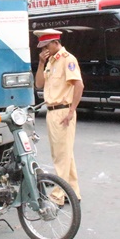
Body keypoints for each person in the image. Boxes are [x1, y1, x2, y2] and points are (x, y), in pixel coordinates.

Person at [33, 28, 83, 206]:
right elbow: (39, 83)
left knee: (60, 156)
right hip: (52, 111)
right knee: (65, 154)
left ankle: (58, 194)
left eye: (47, 45)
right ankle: (73, 192)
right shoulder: (51, 62)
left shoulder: (67, 59)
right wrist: (41, 63)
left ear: (55, 43)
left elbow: (79, 85)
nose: (44, 50)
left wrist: (71, 111)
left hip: (62, 110)